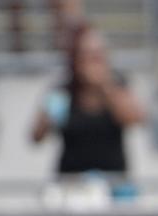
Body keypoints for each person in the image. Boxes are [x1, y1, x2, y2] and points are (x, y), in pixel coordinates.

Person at [30, 22, 145, 188]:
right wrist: (48, 117)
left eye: (98, 55)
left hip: (114, 183)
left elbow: (135, 118)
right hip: (70, 183)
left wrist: (105, 86)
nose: (93, 62)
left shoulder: (117, 84)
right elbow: (36, 136)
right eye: (87, 56)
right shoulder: (63, 90)